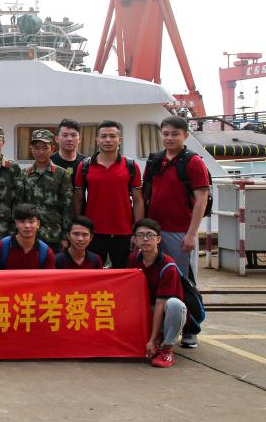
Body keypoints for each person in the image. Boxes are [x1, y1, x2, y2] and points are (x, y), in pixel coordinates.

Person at [143, 115, 210, 288]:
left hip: (179, 231)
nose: (169, 138)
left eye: (175, 134)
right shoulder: (154, 160)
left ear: (185, 136)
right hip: (153, 230)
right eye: (165, 134)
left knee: (179, 278)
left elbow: (201, 199)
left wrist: (192, 234)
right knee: (153, 275)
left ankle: (183, 312)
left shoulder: (193, 162)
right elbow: (144, 195)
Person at [73, 120, 143, 268]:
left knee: (123, 275)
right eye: (103, 136)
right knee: (93, 276)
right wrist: (78, 228)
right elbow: (78, 199)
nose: (108, 140)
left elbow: (138, 200)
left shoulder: (131, 166)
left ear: (119, 140)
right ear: (97, 139)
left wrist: (138, 231)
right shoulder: (84, 166)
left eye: (112, 136)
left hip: (123, 233)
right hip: (93, 233)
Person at [128, 219, 189, 367]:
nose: (145, 239)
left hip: (165, 311)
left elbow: (161, 304)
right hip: (146, 308)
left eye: (150, 235)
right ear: (135, 239)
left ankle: (167, 348)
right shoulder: (134, 258)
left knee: (175, 305)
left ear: (158, 239)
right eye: (140, 235)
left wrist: (152, 339)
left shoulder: (168, 266)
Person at [18, 130, 73, 247]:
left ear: (52, 149)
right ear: (31, 148)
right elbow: (19, 206)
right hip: (29, 234)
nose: (40, 152)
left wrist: (65, 236)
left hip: (54, 235)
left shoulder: (62, 174)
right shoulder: (23, 174)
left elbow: (68, 207)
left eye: (45, 148)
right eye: (36, 148)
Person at [0, 204, 56, 270]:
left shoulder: (46, 253)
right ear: (16, 224)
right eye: (22, 222)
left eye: (31, 222)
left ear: (38, 224)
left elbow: (49, 279)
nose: (27, 226)